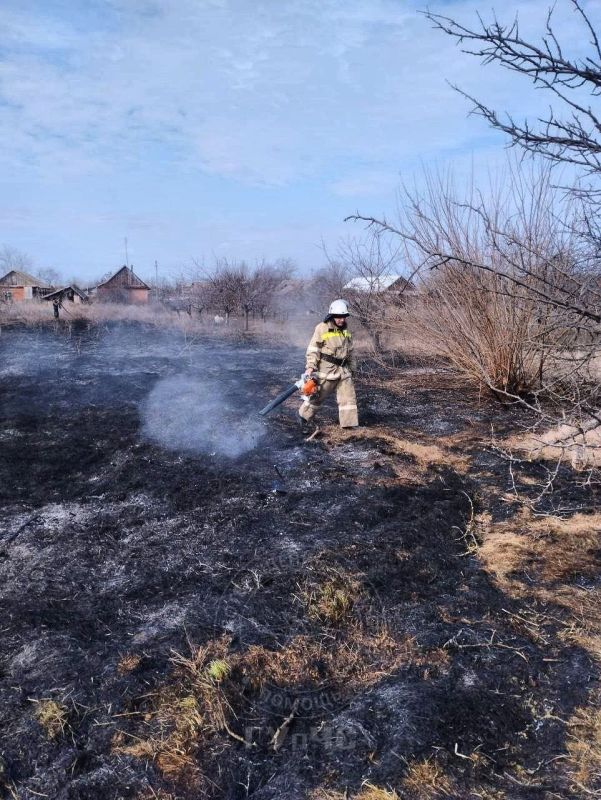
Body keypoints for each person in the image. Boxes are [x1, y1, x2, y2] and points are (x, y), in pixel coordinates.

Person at [299, 299, 359, 434]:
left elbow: (351, 353)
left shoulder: (346, 331)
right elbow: (313, 349)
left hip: (344, 371)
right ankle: (303, 417)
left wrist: (353, 369)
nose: (341, 320)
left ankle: (349, 425)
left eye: (343, 317)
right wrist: (310, 366)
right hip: (327, 370)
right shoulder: (322, 328)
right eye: (338, 317)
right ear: (332, 315)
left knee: (348, 398)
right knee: (316, 397)